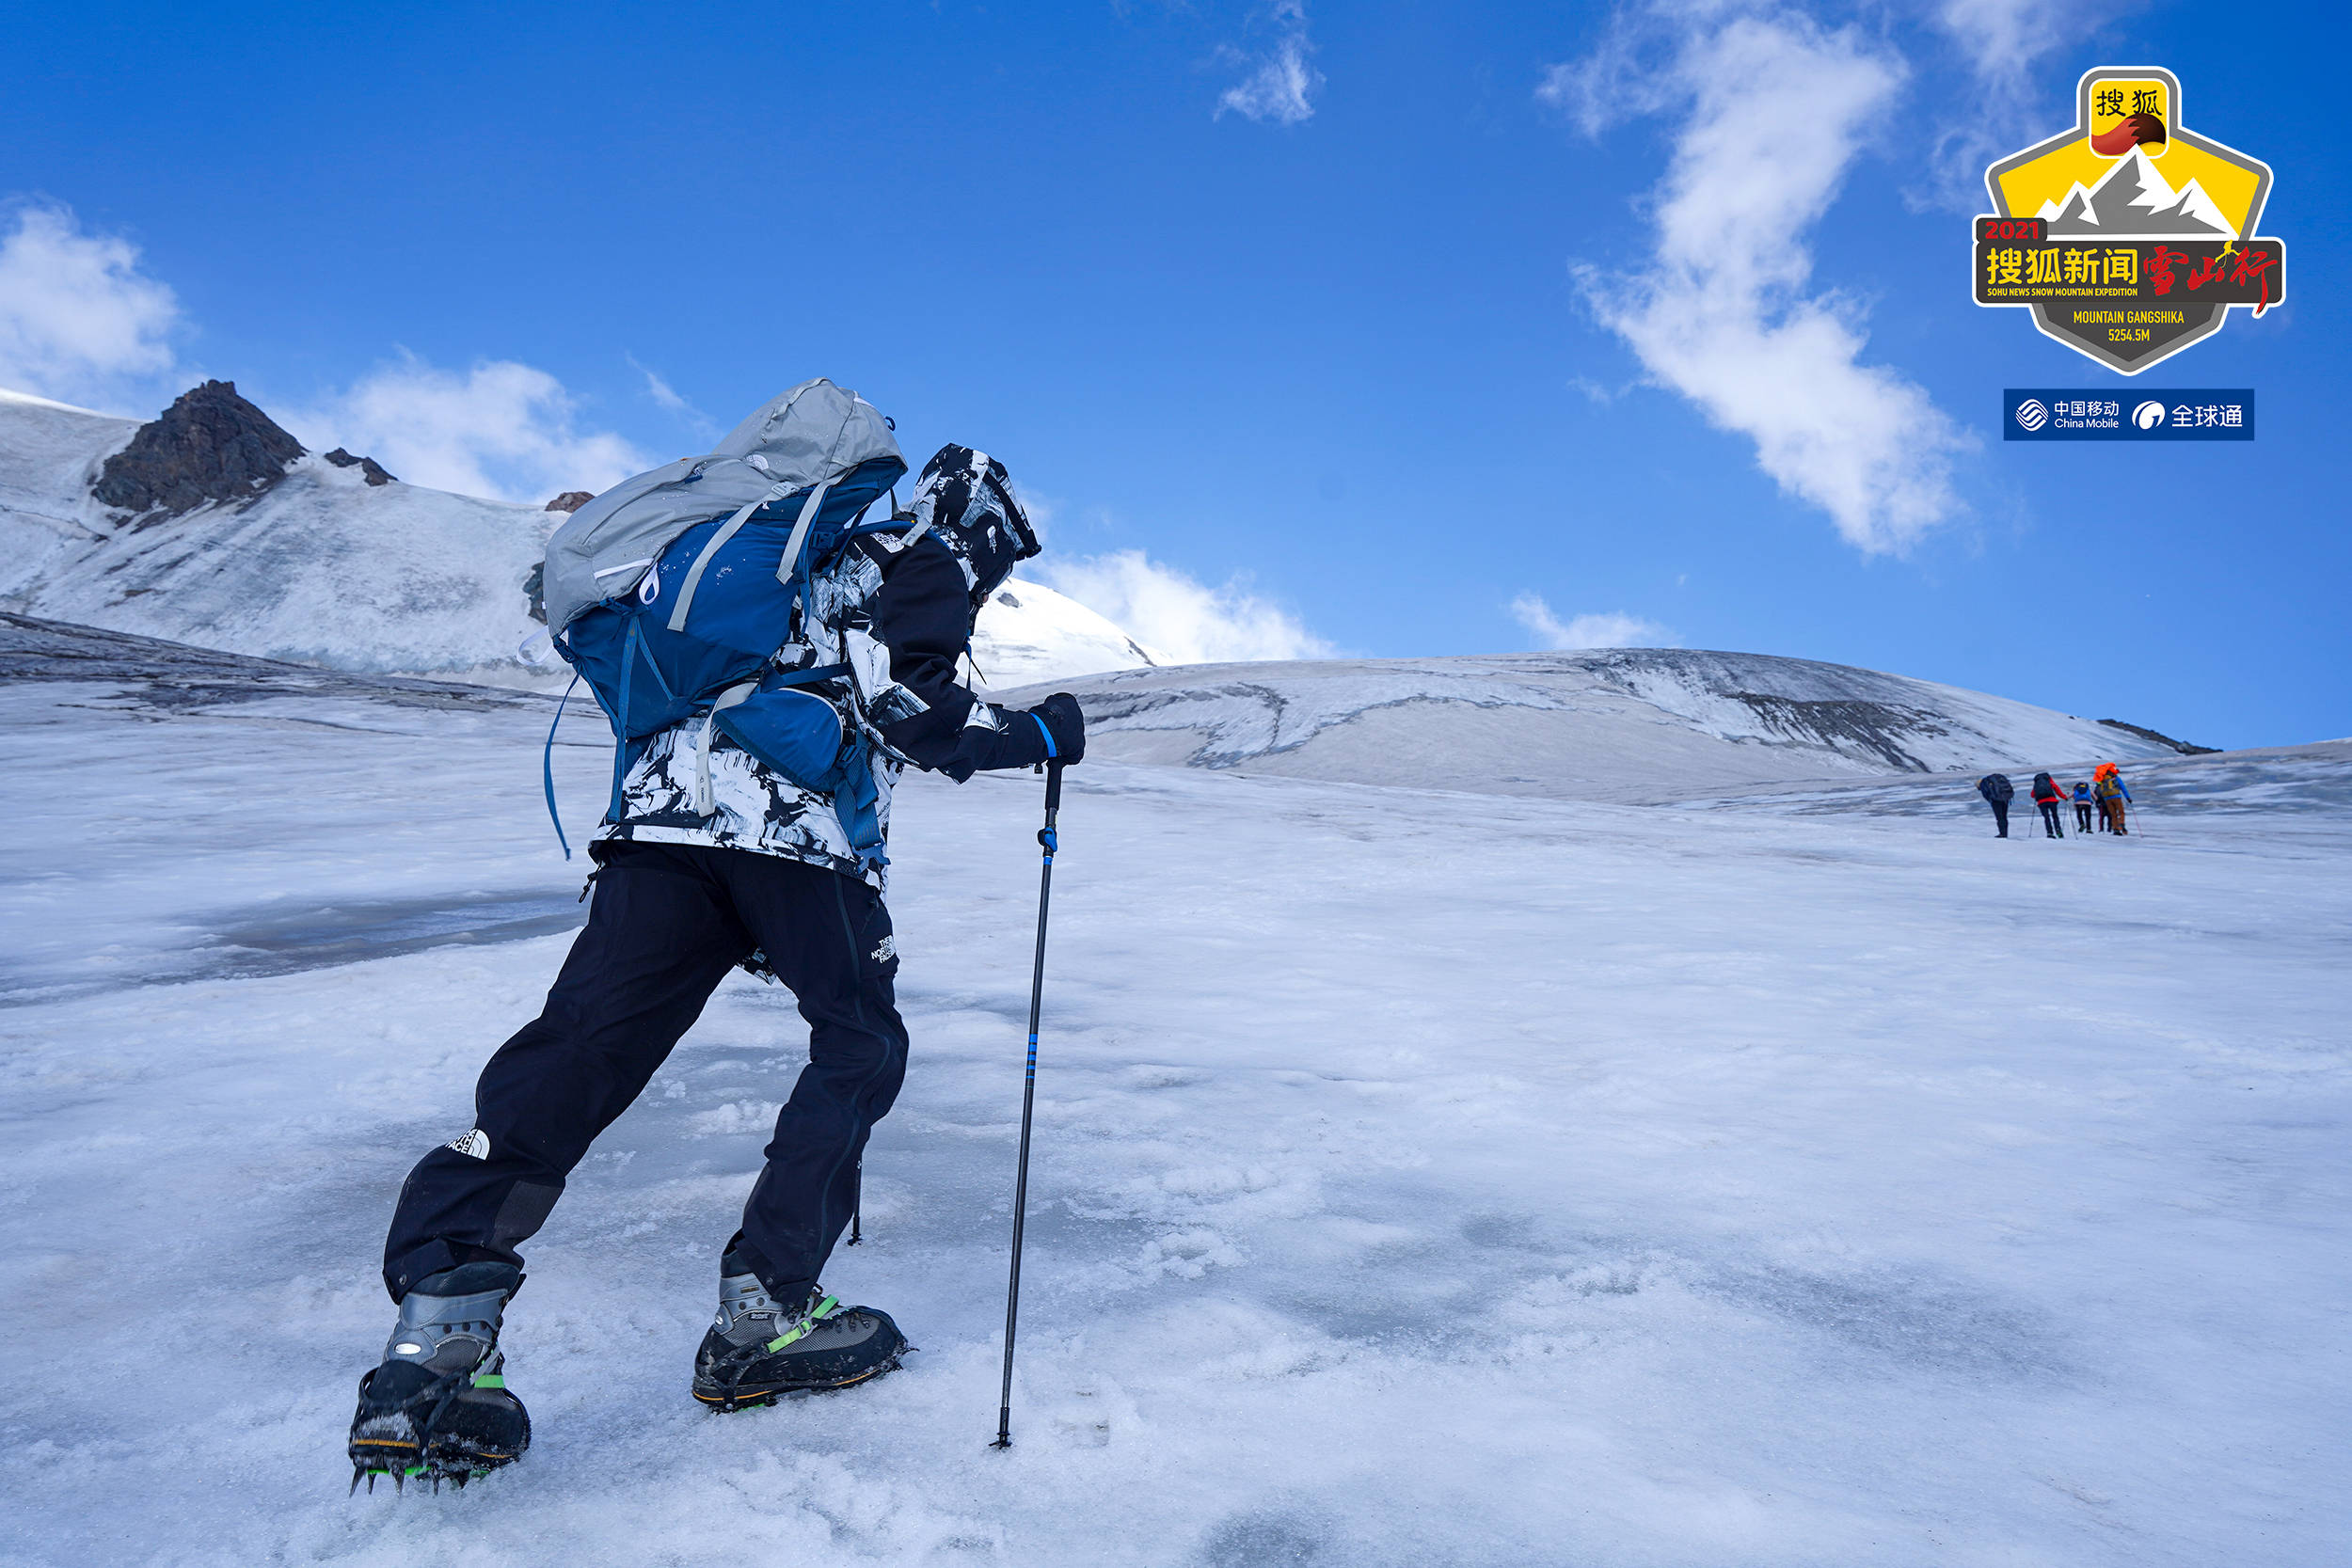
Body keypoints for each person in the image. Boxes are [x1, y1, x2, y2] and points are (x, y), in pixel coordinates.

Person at [347, 438, 1087, 1485]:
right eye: (1002, 550)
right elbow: (913, 710)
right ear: (983, 523)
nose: (996, 570)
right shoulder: (921, 556)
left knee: (579, 1053)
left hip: (657, 833)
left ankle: (433, 1346)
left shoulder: (771, 553)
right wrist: (1044, 733)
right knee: (859, 1043)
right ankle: (766, 1312)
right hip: (795, 841)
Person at [2094, 764, 2133, 834]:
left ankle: (2115, 829)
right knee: (2121, 812)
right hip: (2116, 796)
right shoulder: (2116, 778)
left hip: (2107, 799)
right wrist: (2128, 798)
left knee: (2113, 814)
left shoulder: (2102, 779)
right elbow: (2123, 788)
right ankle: (2121, 823)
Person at [2028, 770, 2067, 838]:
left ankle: (2049, 832)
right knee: (2055, 816)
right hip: (2052, 801)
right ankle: (2058, 829)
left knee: (2047, 818)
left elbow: (2032, 795)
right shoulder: (2049, 782)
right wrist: (2064, 797)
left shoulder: (2037, 784)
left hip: (2041, 803)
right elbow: (2057, 789)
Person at [1976, 772, 2014, 837]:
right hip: (2005, 797)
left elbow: (1986, 795)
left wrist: (1992, 801)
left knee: (2000, 818)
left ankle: (2002, 834)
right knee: (2004, 817)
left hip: (1996, 800)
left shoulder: (1983, 784)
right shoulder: (1991, 780)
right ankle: (2005, 833)